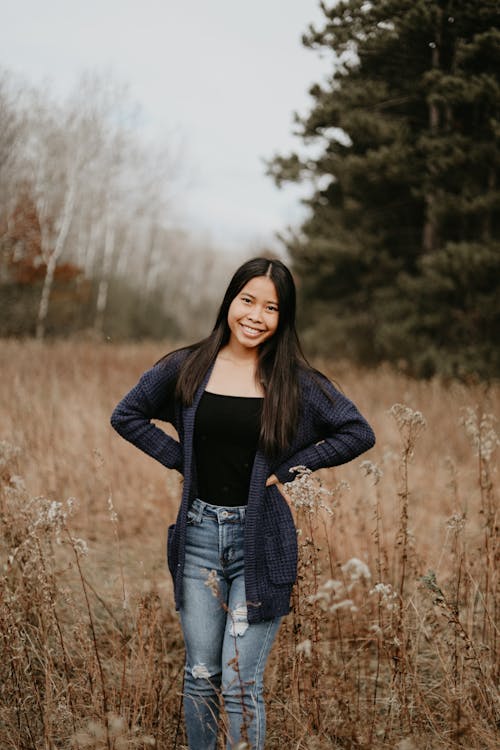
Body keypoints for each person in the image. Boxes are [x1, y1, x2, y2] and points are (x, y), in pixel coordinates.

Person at [110, 257, 375, 750]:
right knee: (200, 673)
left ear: (283, 318)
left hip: (262, 542)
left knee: (238, 685)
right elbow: (126, 414)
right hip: (199, 540)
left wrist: (290, 470)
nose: (255, 315)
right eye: (247, 300)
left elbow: (358, 432)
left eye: (271, 307)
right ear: (230, 302)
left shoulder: (295, 381)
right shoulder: (187, 366)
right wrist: (180, 458)